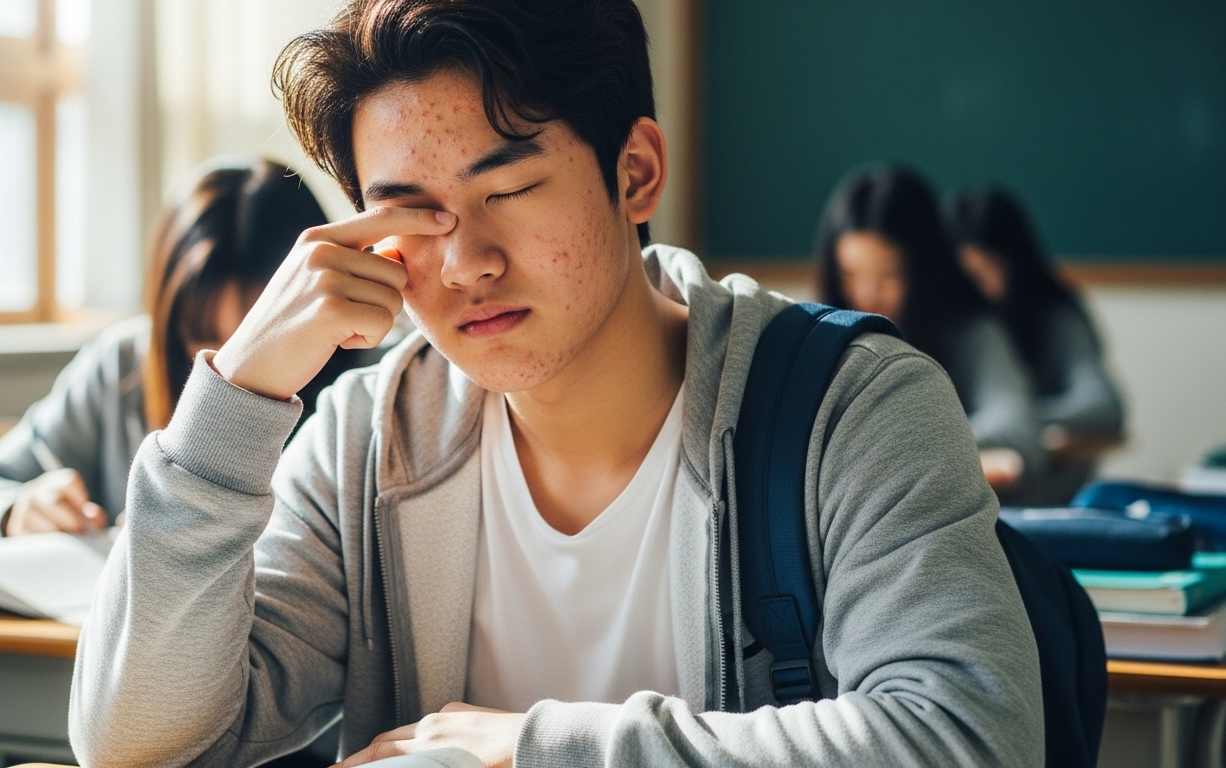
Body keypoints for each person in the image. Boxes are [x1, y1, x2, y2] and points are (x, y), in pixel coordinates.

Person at [70, 2, 1042, 767]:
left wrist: (534, 749)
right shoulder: (367, 441)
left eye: (508, 191)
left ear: (635, 172)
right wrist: (237, 393)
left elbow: (966, 741)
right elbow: (141, 744)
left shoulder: (854, 405)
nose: (464, 264)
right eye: (412, 215)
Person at [0, 157, 377, 542]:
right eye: (202, 336)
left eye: (265, 338)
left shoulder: (376, 386)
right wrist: (14, 512)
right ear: (167, 322)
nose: (233, 367)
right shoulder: (125, 365)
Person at [816, 165, 1049, 501]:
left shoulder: (969, 330)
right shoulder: (823, 336)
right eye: (849, 275)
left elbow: (1016, 429)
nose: (867, 295)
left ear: (922, 269)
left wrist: (894, 443)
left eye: (889, 275)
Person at [948, 186, 1125, 503]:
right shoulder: (955, 326)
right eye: (958, 277)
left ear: (1015, 264)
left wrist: (1021, 420)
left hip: (1049, 496)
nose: (970, 289)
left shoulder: (1052, 315)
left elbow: (1102, 403)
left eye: (982, 273)